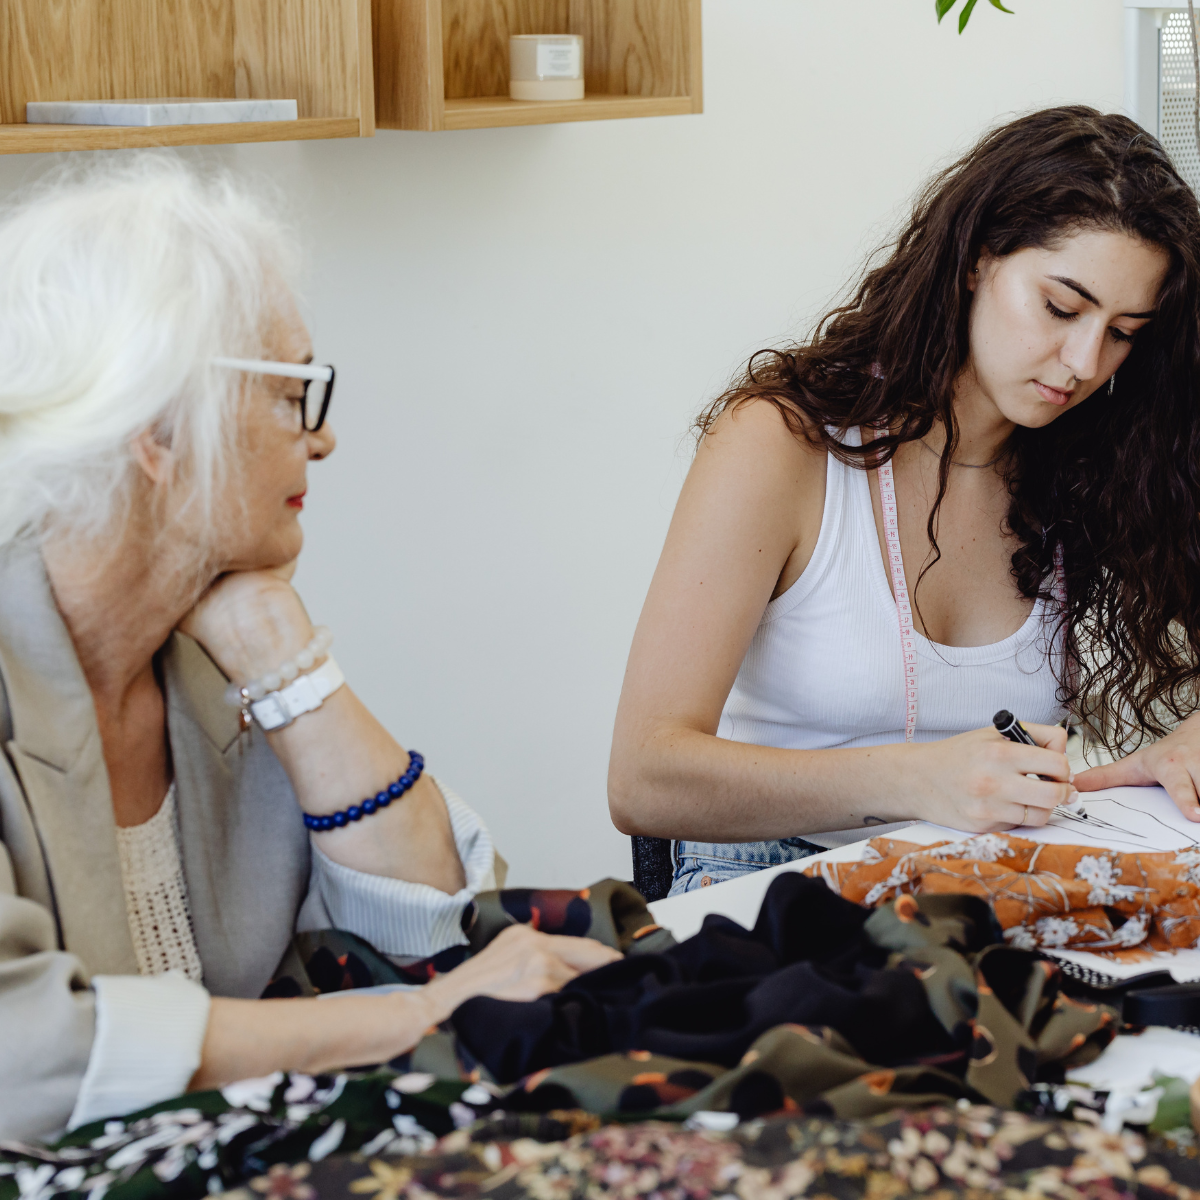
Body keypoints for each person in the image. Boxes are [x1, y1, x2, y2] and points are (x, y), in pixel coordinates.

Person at [0, 158, 619, 1142]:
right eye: (297, 393)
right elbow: (22, 1060)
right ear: (158, 428)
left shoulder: (208, 654)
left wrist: (292, 664)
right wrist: (410, 1020)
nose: (321, 442)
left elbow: (432, 928)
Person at [608, 106, 1200, 896]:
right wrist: (916, 781)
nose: (1085, 361)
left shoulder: (1097, 461)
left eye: (1124, 331)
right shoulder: (783, 445)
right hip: (774, 878)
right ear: (976, 261)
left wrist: (1186, 743)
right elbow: (642, 777)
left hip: (975, 885)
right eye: (1061, 308)